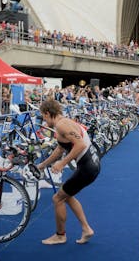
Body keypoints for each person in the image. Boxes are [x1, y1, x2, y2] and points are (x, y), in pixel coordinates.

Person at [36, 100, 100, 245]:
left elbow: (80, 144)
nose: (44, 121)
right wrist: (43, 165)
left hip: (87, 167)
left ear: (47, 113)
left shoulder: (61, 125)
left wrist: (62, 163)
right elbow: (60, 149)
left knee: (57, 198)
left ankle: (60, 235)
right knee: (67, 195)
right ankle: (86, 229)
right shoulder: (64, 124)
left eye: (43, 117)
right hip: (91, 165)